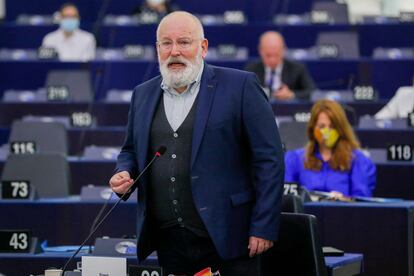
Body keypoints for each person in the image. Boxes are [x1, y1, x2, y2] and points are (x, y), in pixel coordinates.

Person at [109, 11, 284, 276]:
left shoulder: (241, 86)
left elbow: (269, 159)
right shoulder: (142, 94)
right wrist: (124, 173)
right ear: (157, 49)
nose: (174, 51)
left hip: (230, 239)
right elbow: (130, 150)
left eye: (184, 42)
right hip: (169, 242)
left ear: (203, 47)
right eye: (166, 43)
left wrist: (263, 225)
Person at [285, 99, 376, 197]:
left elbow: (361, 202)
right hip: (307, 212)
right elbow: (288, 199)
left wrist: (344, 200)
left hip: (341, 212)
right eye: (322, 126)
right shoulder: (294, 159)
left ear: (341, 129)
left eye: (332, 127)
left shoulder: (358, 160)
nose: (327, 132)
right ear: (312, 128)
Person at [245, 31, 315, 101]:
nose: (272, 60)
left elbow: (312, 91)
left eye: (276, 55)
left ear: (283, 50)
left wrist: (292, 94)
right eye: (268, 55)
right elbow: (243, 92)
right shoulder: (251, 70)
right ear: (260, 51)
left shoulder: (297, 69)